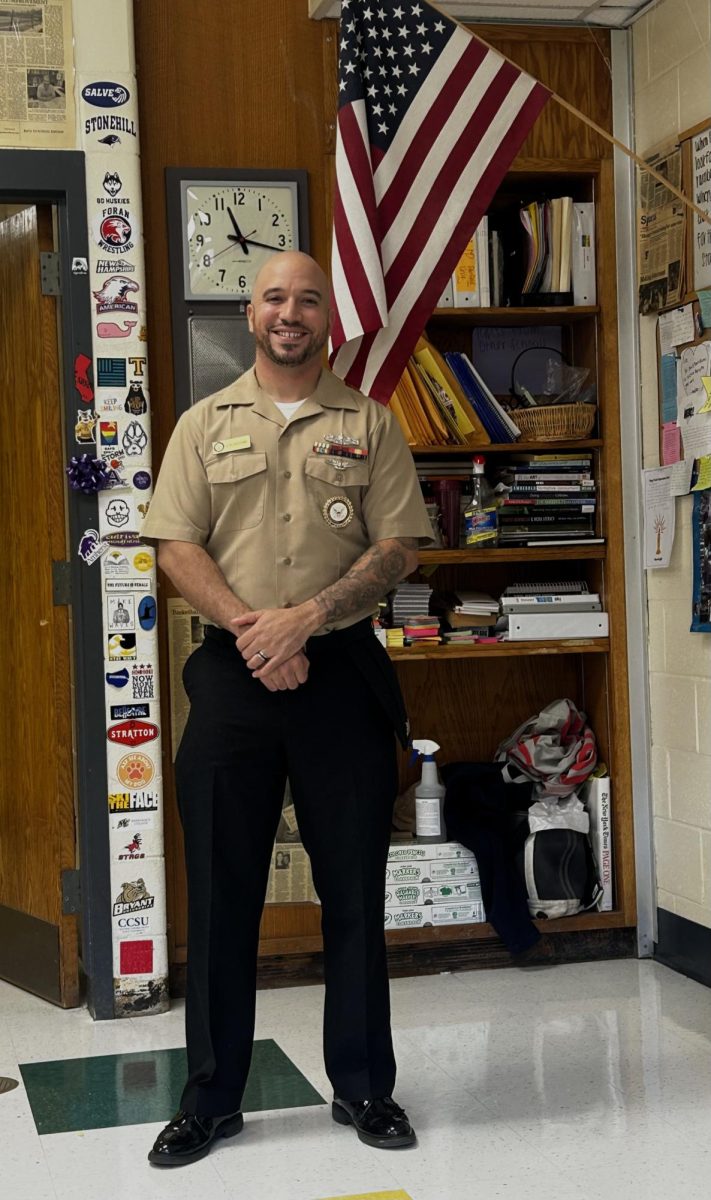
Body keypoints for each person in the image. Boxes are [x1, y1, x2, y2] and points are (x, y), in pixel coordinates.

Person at [143, 252, 433, 1167]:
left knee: (353, 892)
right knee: (223, 892)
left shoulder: (370, 423)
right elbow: (173, 543)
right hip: (234, 676)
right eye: (275, 297)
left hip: (340, 672)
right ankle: (212, 1099)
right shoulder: (202, 424)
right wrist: (251, 630)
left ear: (325, 319)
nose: (290, 312)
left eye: (307, 299)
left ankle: (363, 1088)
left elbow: (400, 548)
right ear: (251, 310)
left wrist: (306, 619)